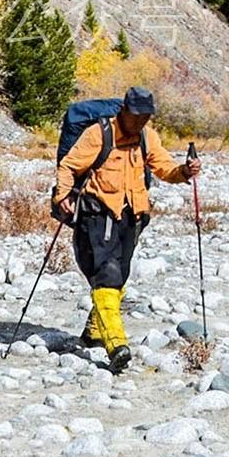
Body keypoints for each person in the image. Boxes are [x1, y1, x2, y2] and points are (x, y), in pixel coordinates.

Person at [51, 86, 200, 372]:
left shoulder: (147, 137)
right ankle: (116, 344)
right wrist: (63, 196)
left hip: (133, 217)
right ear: (124, 111)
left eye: (146, 116)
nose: (141, 121)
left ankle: (95, 330)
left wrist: (184, 172)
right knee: (106, 273)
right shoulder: (99, 134)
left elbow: (164, 168)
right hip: (98, 215)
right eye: (137, 116)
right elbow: (69, 166)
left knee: (120, 275)